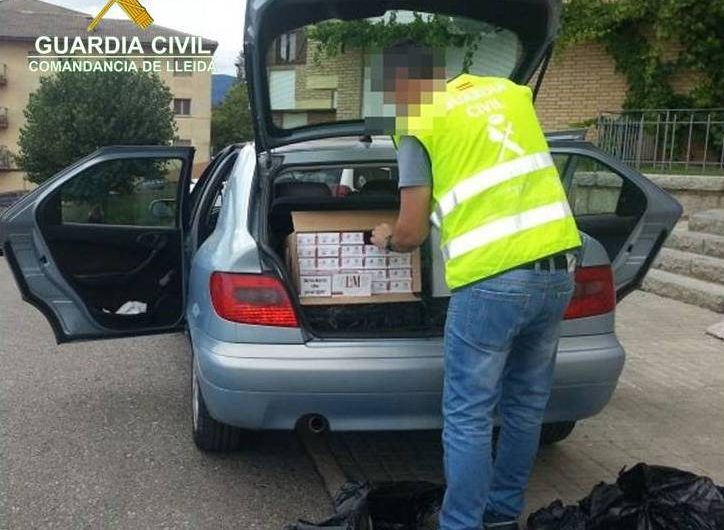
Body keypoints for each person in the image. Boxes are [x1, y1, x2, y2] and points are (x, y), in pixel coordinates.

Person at [370, 43, 582, 530]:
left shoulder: (417, 123)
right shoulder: (509, 93)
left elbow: (411, 231)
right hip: (557, 272)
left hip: (492, 283)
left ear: (401, 87)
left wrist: (384, 238)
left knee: (468, 414)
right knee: (526, 406)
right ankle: (502, 515)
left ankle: (461, 524)